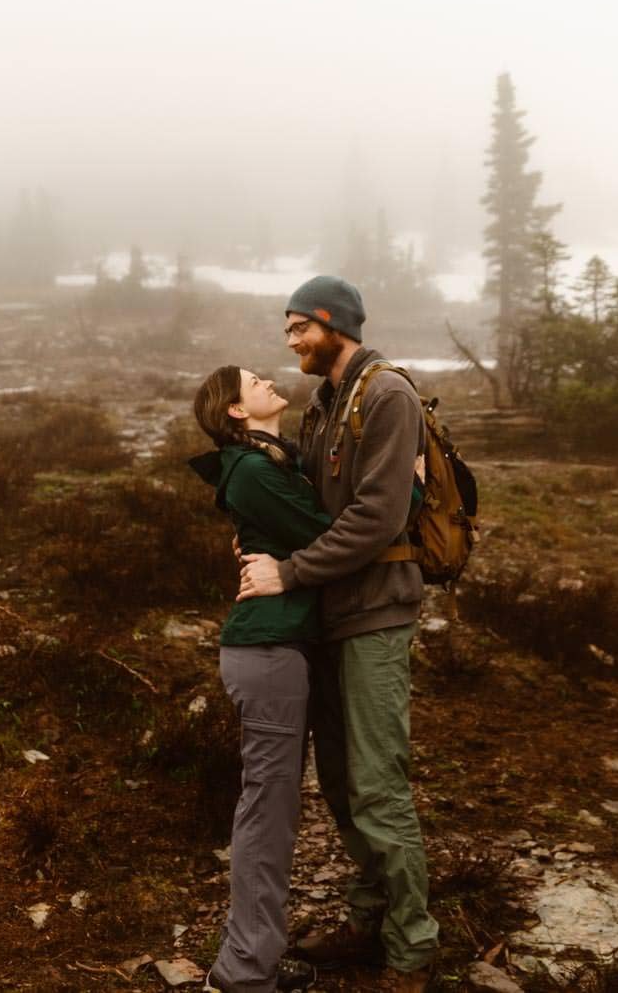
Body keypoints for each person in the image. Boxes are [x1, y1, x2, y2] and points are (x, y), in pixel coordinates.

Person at [236, 275, 439, 993]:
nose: (291, 341)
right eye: (288, 329)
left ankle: (411, 950)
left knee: (379, 783)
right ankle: (368, 914)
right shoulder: (325, 404)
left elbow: (376, 519)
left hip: (377, 612)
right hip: (332, 615)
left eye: (301, 328)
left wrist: (289, 573)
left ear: (337, 324)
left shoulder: (387, 395)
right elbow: (314, 508)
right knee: (343, 781)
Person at [189, 365, 326, 993]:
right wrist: (405, 493)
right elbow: (340, 538)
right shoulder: (253, 471)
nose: (269, 380)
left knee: (273, 809)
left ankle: (255, 957)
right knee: (267, 812)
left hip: (276, 648)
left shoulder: (271, 463)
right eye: (253, 382)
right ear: (236, 413)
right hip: (266, 650)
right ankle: (244, 972)